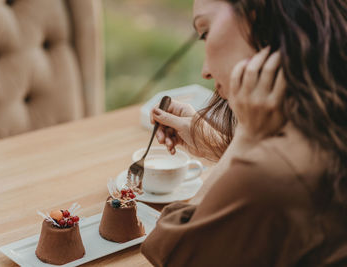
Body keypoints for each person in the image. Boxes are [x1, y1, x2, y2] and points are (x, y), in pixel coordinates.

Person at [141, 0, 347, 266]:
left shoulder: (271, 174)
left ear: (257, 15)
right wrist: (216, 143)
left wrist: (245, 139)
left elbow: (171, 249)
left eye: (205, 32)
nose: (205, 71)